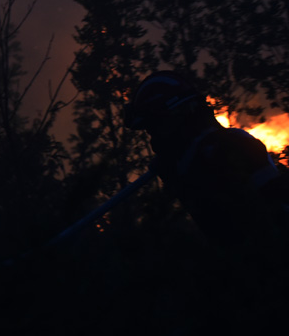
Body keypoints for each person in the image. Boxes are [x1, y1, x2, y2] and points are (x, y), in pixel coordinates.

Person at [123, 71, 289, 246]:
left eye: (155, 126)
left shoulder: (231, 146)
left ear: (178, 115)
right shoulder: (181, 162)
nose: (154, 135)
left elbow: (270, 213)